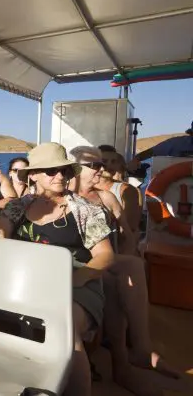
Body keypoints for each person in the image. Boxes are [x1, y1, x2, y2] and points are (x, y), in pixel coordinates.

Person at [0, 142, 114, 396]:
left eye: (64, 171)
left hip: (76, 283)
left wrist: (74, 281)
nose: (59, 176)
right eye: (51, 171)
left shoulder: (84, 210)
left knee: (61, 327)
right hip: (28, 282)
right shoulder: (18, 207)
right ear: (33, 175)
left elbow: (104, 256)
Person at [68, 146, 182, 395]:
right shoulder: (63, 198)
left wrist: (126, 254)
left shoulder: (106, 197)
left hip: (106, 258)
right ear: (74, 168)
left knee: (125, 268)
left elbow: (127, 235)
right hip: (80, 263)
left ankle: (135, 353)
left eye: (103, 164)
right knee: (113, 277)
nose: (101, 170)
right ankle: (126, 362)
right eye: (94, 165)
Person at [97, 145, 141, 243]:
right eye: (105, 161)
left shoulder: (126, 190)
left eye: (114, 161)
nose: (110, 165)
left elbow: (130, 228)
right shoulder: (86, 188)